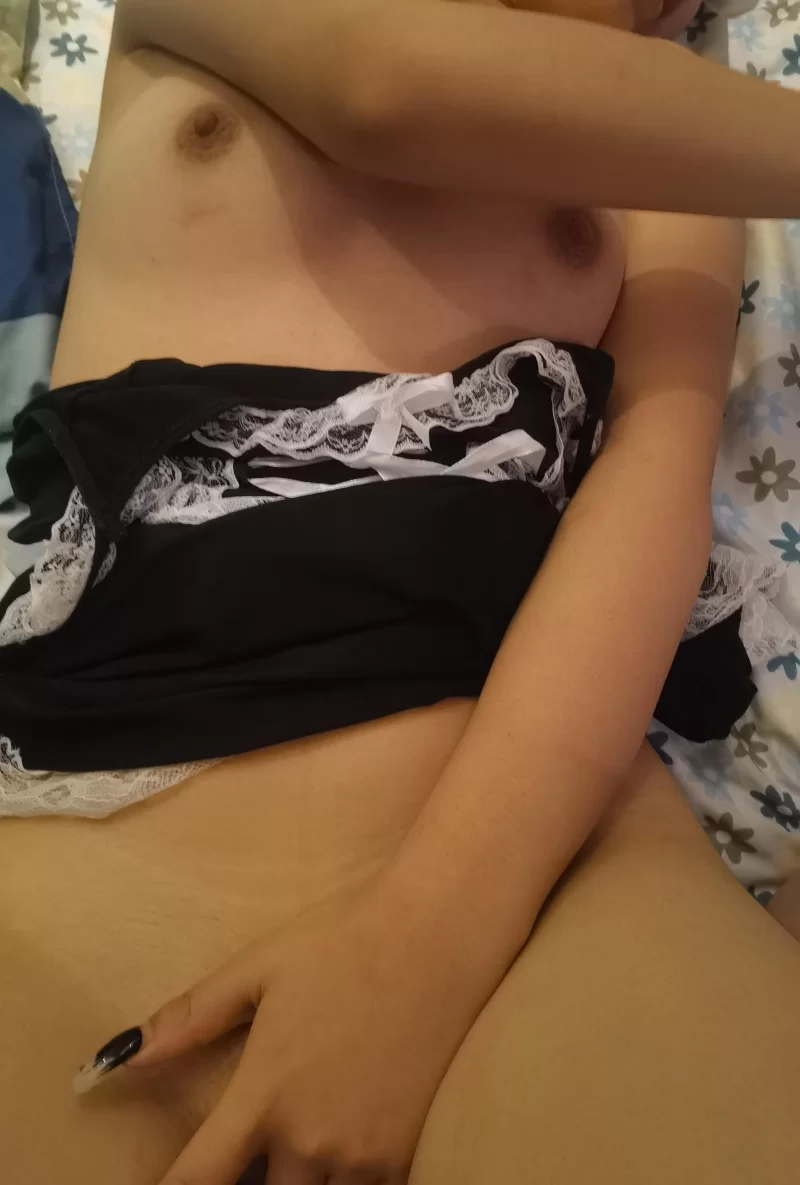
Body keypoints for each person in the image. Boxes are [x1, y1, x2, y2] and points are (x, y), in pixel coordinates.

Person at [2, 2, 800, 1184]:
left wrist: (428, 942)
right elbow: (387, 86)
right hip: (101, 800)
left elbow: (651, 493)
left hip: (529, 853)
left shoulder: (688, 150)